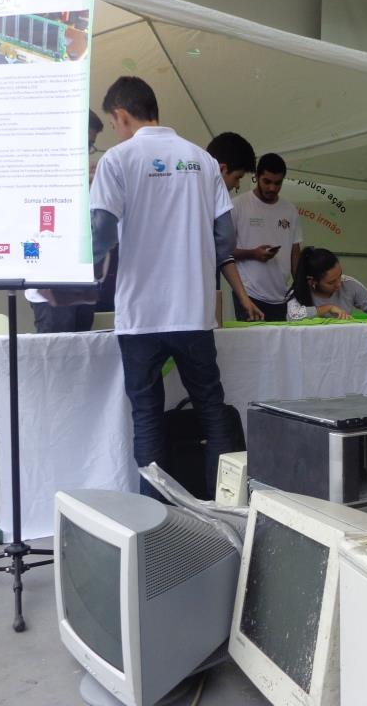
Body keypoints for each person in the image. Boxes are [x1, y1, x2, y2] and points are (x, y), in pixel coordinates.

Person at [90, 75, 234, 499]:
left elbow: (101, 233)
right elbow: (226, 239)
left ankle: (153, 522)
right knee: (212, 411)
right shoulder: (203, 161)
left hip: (140, 317)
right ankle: (224, 509)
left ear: (120, 114)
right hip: (193, 312)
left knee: (148, 417)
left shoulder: (117, 161)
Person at [26, 109, 106, 332]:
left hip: (84, 286)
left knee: (82, 360)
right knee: (57, 362)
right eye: (87, 143)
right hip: (51, 288)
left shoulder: (84, 176)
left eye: (90, 146)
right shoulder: (38, 166)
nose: (88, 152)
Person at [231, 153, 302, 321]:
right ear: (256, 177)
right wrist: (252, 253)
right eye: (267, 181)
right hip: (248, 295)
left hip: (282, 296)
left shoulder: (290, 210)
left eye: (278, 183)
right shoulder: (237, 205)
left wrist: (300, 289)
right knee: (252, 346)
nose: (272, 188)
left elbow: (295, 252)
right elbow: (223, 251)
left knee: (281, 346)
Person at [205, 132, 264, 324]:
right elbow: (226, 242)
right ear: (221, 169)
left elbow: (224, 255)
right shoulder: (208, 201)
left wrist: (244, 298)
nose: (237, 185)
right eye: (237, 177)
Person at [286, 247, 367, 320]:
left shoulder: (349, 284)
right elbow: (292, 316)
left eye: (340, 276)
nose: (339, 284)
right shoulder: (299, 290)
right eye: (331, 282)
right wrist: (328, 308)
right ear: (312, 281)